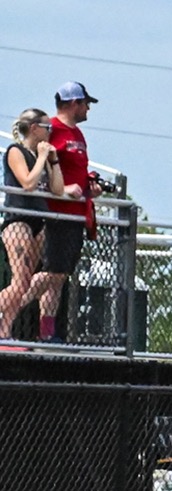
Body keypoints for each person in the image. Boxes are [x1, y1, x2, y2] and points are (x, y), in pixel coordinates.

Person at [28, 82, 99, 344]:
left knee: (60, 277)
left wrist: (90, 186)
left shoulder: (78, 135)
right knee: (53, 272)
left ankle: (47, 331)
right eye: (85, 103)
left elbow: (78, 170)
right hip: (57, 213)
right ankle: (9, 306)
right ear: (73, 103)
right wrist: (61, 187)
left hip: (76, 214)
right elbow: (38, 162)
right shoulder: (52, 129)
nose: (88, 108)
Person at [0, 109, 59, 339]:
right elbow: (27, 182)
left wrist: (52, 161)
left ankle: (4, 332)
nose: (50, 132)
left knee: (26, 285)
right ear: (34, 128)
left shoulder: (42, 156)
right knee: (20, 281)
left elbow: (56, 189)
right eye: (47, 128)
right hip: (19, 220)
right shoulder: (16, 151)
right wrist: (42, 158)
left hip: (39, 220)